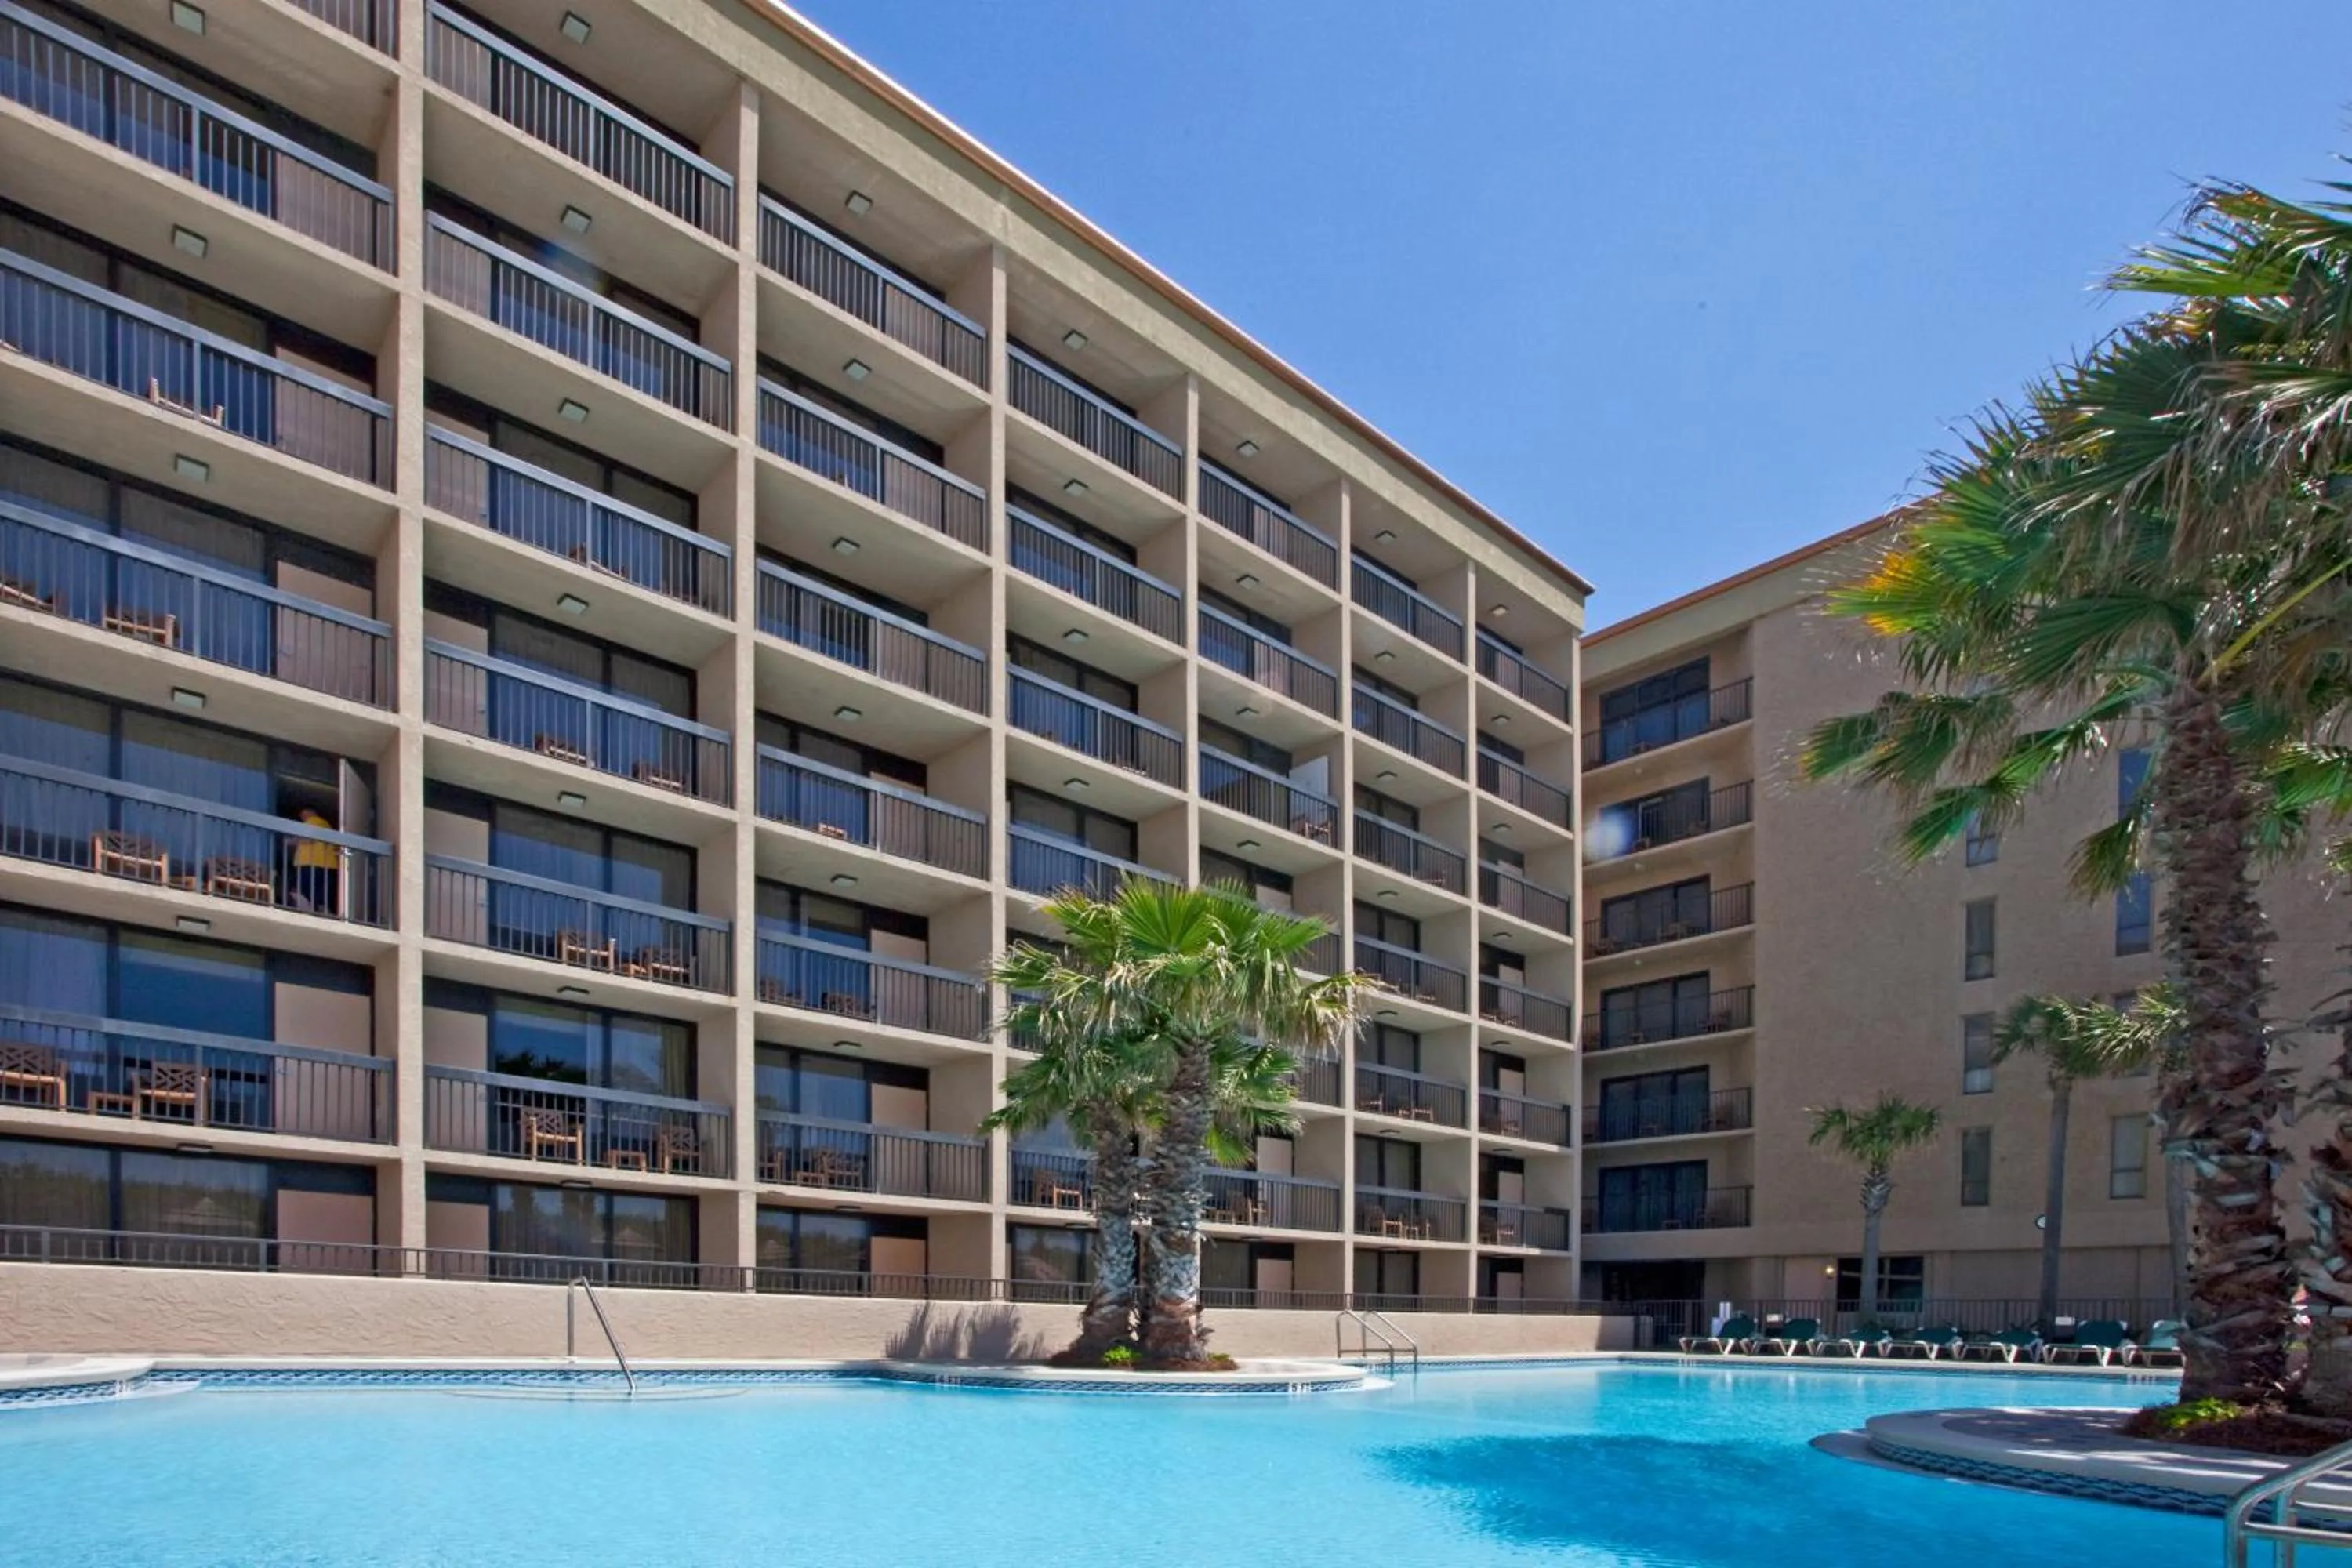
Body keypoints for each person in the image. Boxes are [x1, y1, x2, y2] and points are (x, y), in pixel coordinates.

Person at [292, 807, 339, 915]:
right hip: (328, 865)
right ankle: (322, 911)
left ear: (310, 813)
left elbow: (308, 839)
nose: (302, 817)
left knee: (304, 892)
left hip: (309, 863)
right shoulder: (328, 826)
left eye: (303, 815)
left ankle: (307, 912)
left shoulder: (312, 822)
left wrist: (292, 841)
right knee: (322, 894)